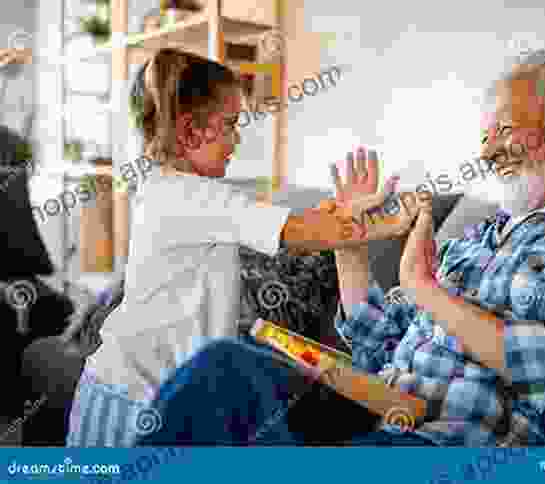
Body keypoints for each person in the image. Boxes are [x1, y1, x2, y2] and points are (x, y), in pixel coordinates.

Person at [136, 49, 545, 447]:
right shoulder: (472, 242)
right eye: (485, 137)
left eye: (505, 130)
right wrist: (351, 245)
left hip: (452, 444)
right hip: (373, 408)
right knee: (222, 370)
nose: (487, 152)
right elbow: (377, 348)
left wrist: (425, 289)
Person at [66, 48, 418, 447]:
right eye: (232, 124)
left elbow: (293, 226)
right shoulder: (190, 195)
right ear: (190, 132)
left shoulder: (176, 190)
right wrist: (390, 223)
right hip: (130, 395)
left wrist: (341, 211)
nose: (238, 138)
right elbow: (303, 232)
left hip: (140, 386)